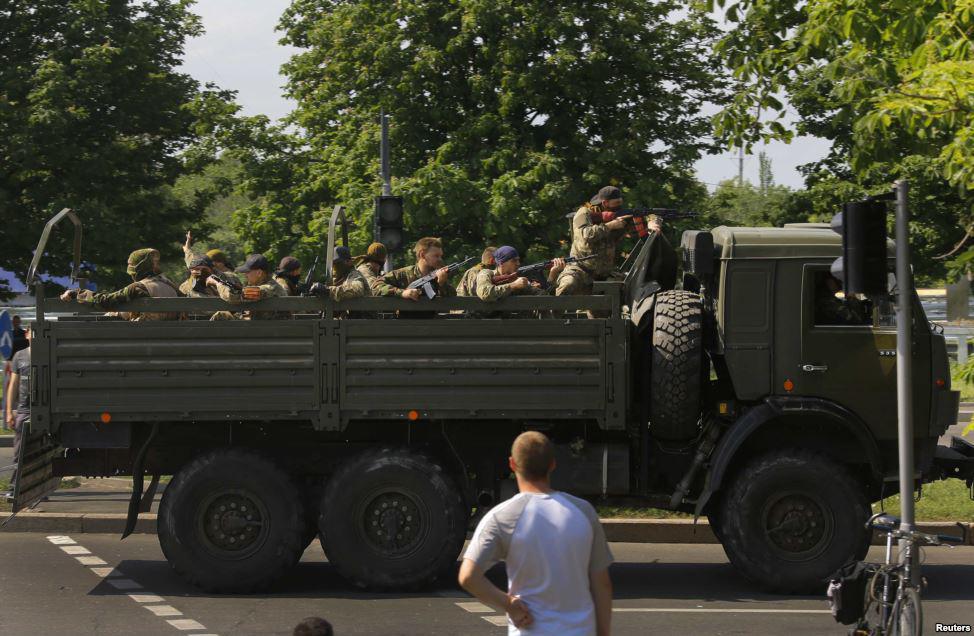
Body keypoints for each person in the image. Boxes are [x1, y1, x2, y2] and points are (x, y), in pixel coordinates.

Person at [459, 431, 613, 636]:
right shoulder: (584, 512)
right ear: (552, 465)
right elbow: (602, 585)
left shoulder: (502, 517)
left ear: (512, 465)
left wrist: (509, 604)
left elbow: (468, 577)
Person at [555, 185, 661, 297]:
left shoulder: (620, 216)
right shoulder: (584, 212)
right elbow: (585, 234)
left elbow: (640, 222)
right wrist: (610, 226)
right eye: (616, 203)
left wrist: (650, 222)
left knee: (632, 289)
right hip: (579, 270)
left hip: (604, 275)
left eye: (621, 202)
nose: (620, 206)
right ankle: (552, 313)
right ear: (605, 203)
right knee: (567, 286)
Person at [60, 248, 182, 320]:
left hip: (142, 342)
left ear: (137, 271)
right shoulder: (171, 285)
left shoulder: (138, 288)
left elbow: (106, 302)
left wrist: (76, 293)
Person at [372, 237, 457, 300]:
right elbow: (375, 287)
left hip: (435, 323)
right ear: (422, 255)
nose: (440, 259)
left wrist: (442, 284)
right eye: (436, 256)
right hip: (405, 322)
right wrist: (402, 293)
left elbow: (454, 300)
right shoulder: (402, 274)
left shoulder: (438, 277)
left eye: (441, 256)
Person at [207, 253, 287, 320]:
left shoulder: (267, 288)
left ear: (259, 273)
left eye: (247, 272)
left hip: (266, 332)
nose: (245, 275)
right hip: (267, 329)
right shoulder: (266, 286)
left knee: (221, 315)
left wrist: (216, 283)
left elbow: (233, 297)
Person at [5, 325, 31, 482]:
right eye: (31, 331)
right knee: (19, 451)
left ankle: (36, 486)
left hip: (41, 409)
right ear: (27, 334)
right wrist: (9, 412)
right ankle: (14, 486)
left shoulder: (47, 353)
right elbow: (13, 386)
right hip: (23, 409)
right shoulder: (19, 356)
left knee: (38, 451)